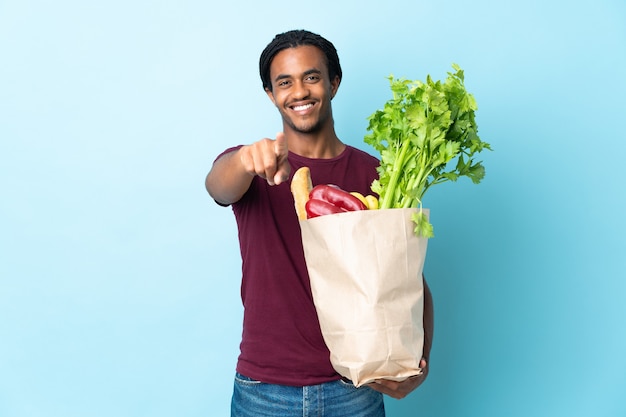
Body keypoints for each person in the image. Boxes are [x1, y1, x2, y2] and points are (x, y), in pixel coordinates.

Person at [205, 29, 434, 417]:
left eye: (311, 77)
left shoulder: (379, 174)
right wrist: (245, 160)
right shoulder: (254, 166)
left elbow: (408, 279)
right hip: (265, 392)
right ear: (270, 94)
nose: (300, 92)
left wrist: (418, 364)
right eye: (284, 82)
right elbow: (217, 186)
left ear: (334, 83)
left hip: (355, 389)